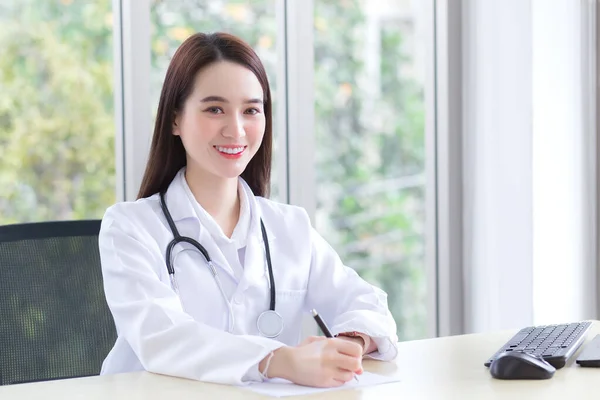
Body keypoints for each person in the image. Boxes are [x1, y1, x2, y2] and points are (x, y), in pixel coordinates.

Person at [98, 31, 398, 388]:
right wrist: (278, 360)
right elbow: (162, 337)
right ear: (175, 119)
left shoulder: (288, 226)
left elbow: (364, 301)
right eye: (214, 109)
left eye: (251, 110)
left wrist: (349, 345)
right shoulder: (131, 227)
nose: (236, 129)